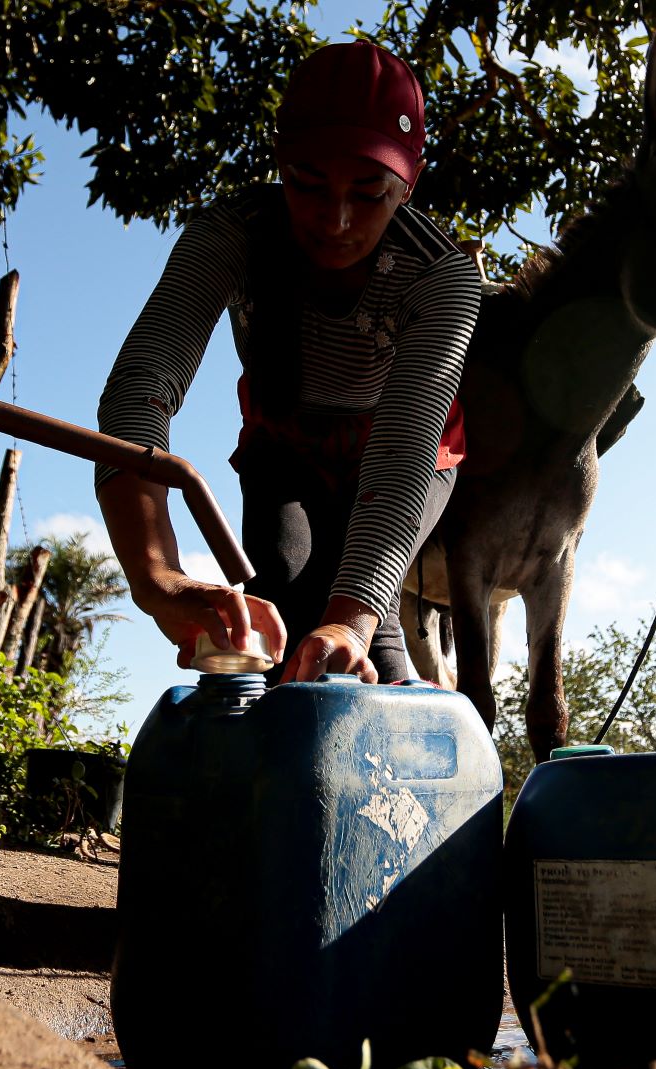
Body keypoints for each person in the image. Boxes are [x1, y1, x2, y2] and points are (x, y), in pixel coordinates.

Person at [94, 42, 481, 684]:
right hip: (285, 444)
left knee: (366, 637)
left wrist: (351, 620)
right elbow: (140, 389)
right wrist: (158, 578)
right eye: (308, 183)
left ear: (407, 184)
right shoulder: (231, 234)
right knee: (281, 595)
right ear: (280, 164)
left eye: (369, 192)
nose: (336, 220)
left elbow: (404, 448)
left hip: (403, 450)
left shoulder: (440, 275)